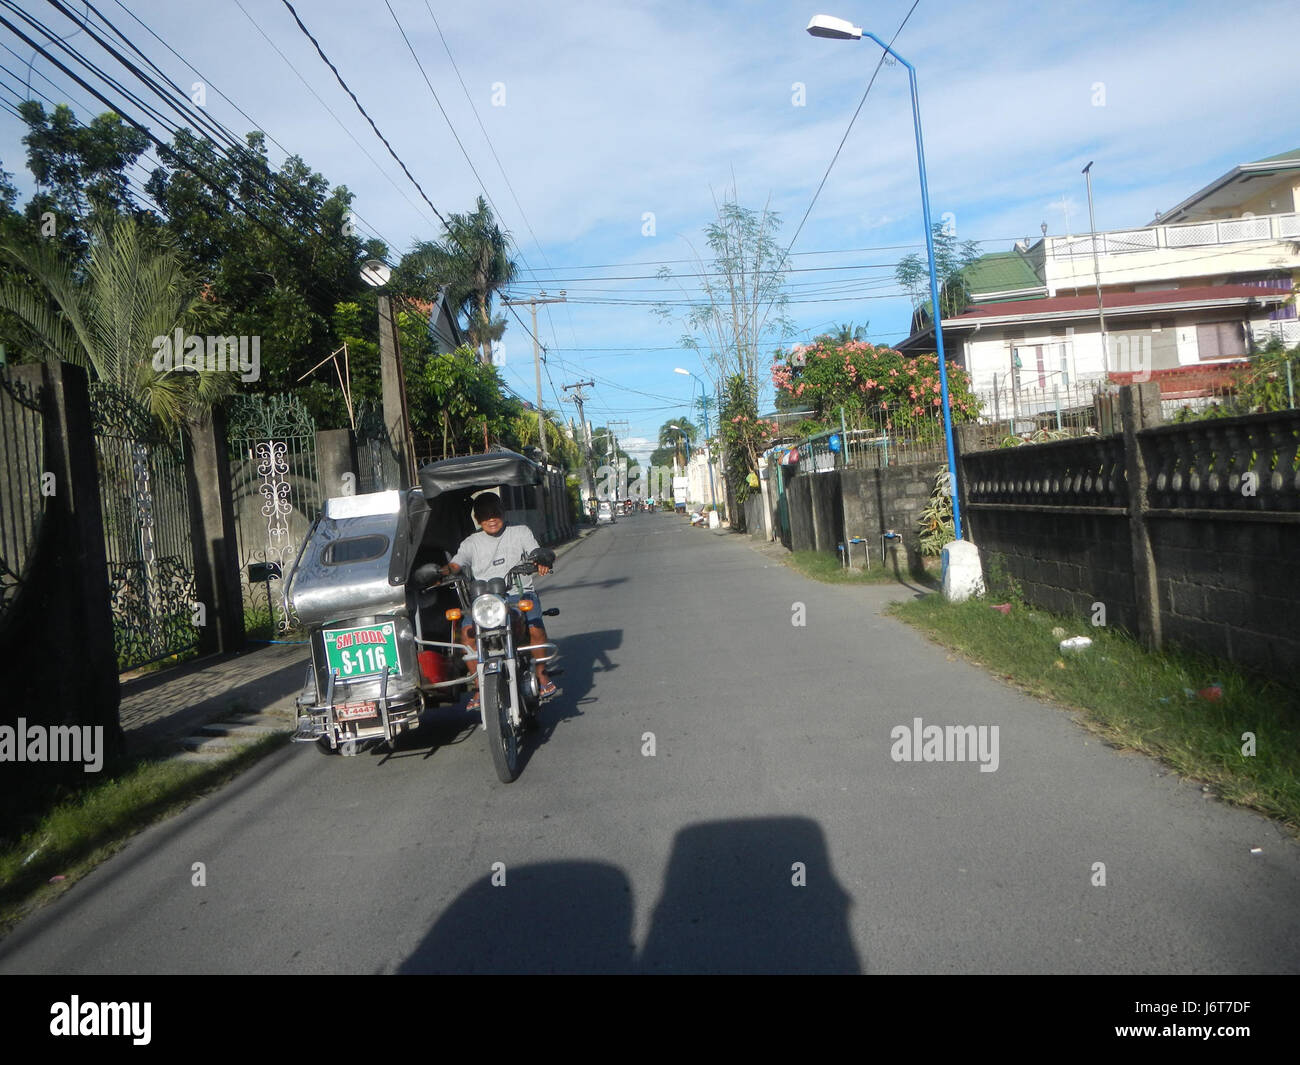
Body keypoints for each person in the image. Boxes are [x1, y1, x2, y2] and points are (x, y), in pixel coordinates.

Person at [441, 493, 557, 710]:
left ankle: (541, 674)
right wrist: (439, 573)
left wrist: (541, 559)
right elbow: (456, 564)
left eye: (495, 513)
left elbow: (535, 551)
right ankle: (478, 685)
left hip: (517, 594)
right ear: (477, 518)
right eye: (484, 515)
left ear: (503, 512)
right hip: (485, 601)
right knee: (465, 635)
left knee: (534, 627)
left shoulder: (520, 532)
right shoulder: (471, 543)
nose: (491, 518)